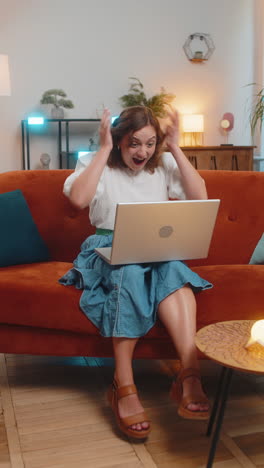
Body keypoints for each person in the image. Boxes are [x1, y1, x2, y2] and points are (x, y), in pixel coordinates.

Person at [59, 106, 212, 440]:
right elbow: (78, 199)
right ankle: (123, 384)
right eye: (133, 144)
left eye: (150, 143)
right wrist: (102, 149)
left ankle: (189, 375)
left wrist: (174, 146)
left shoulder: (164, 163)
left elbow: (200, 197)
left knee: (175, 271)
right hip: (106, 248)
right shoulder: (98, 162)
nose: (142, 152)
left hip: (154, 249)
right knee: (127, 271)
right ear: (119, 142)